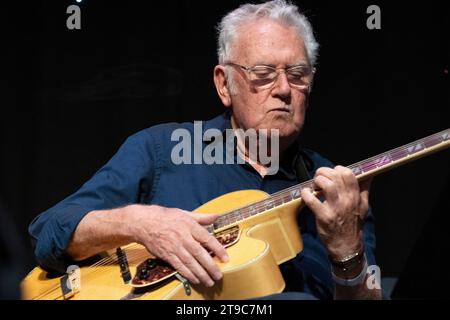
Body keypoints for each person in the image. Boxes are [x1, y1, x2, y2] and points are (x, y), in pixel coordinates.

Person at [29, 0, 381, 299]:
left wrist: (347, 250)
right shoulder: (160, 150)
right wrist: (138, 222)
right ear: (224, 84)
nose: (284, 89)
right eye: (263, 73)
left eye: (297, 73)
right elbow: (49, 232)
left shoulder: (338, 192)